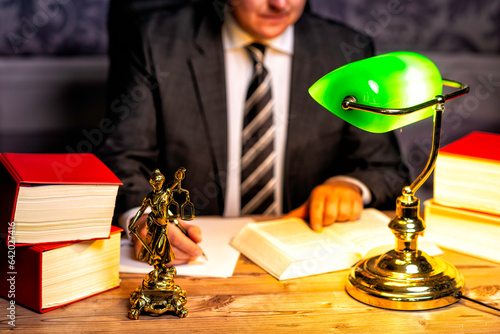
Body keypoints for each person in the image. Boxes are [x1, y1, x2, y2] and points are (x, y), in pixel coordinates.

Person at [98, 0, 409, 264]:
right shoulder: (155, 41)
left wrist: (349, 186)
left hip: (304, 257)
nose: (280, 4)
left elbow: (386, 169)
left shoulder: (346, 51)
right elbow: (122, 159)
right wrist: (145, 217)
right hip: (196, 258)